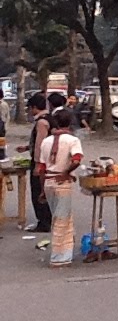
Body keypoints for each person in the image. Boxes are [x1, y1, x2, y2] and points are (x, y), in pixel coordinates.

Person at [37, 111, 84, 267]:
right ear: (70, 123)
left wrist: (42, 190)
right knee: (61, 220)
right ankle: (59, 256)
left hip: (48, 182)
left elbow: (41, 168)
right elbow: (77, 160)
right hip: (62, 183)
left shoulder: (46, 141)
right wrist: (66, 172)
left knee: (58, 217)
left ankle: (65, 252)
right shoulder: (73, 140)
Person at [17, 94, 53, 233]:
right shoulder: (49, 118)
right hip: (49, 161)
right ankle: (47, 220)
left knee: (38, 191)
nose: (30, 112)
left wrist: (38, 164)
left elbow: (40, 144)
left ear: (35, 108)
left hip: (42, 161)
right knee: (46, 190)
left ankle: (43, 222)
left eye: (30, 108)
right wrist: (26, 147)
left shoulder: (42, 122)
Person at [0, 94, 9, 160]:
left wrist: (5, 126)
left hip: (1, 125)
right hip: (2, 125)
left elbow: (4, 116)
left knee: (1, 141)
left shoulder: (2, 104)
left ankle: (2, 155)